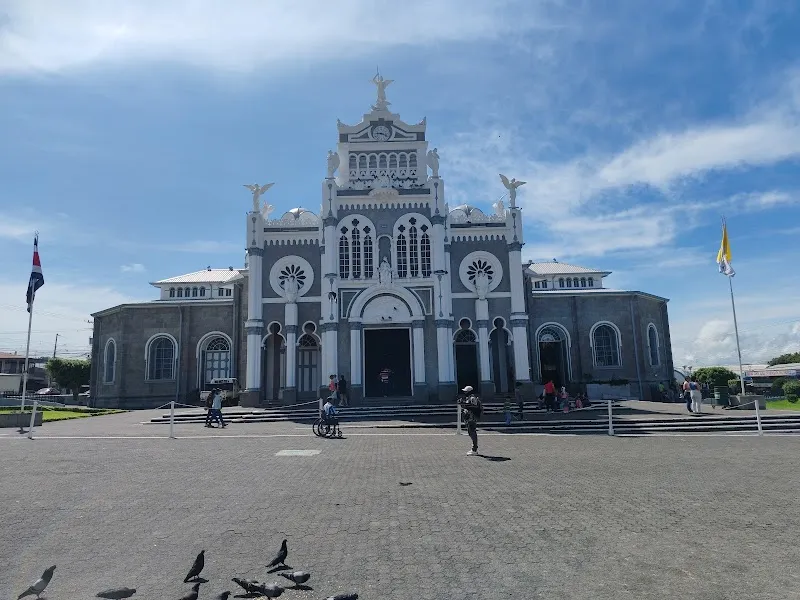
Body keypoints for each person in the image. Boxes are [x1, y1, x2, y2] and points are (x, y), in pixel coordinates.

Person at [459, 385, 483, 456]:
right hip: (469, 417)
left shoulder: (472, 398)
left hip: (472, 417)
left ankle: (474, 448)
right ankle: (474, 448)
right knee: (470, 431)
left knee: (472, 431)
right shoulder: (469, 398)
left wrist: (464, 404)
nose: (465, 392)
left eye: (466, 391)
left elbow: (474, 406)